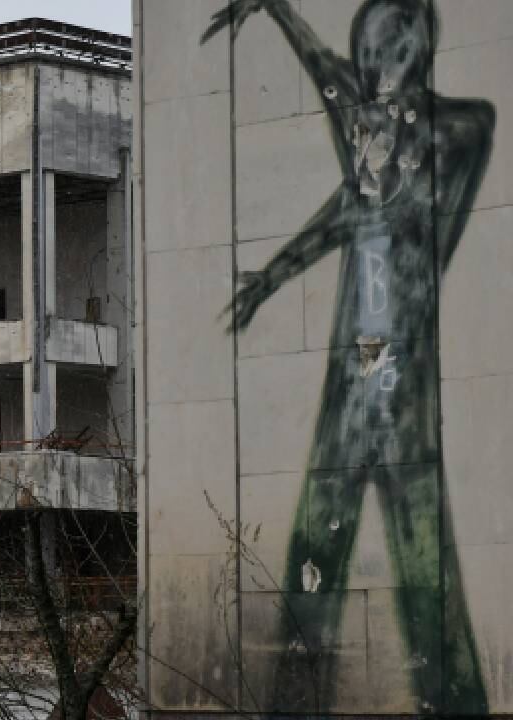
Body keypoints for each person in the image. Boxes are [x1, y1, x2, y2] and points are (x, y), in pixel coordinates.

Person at [202, 0, 495, 714]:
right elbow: (344, 174)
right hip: (350, 385)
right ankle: (294, 702)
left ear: (410, 50)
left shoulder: (453, 134)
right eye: (363, 54)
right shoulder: (371, 143)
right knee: (316, 550)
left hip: (401, 392)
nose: (365, 69)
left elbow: (417, 149)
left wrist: (387, 131)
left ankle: (450, 696)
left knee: (421, 556)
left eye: (381, 52)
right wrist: (280, 13)